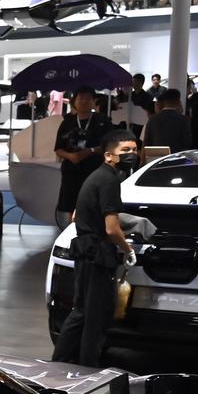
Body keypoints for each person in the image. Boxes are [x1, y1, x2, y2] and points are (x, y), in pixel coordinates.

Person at [51, 129, 141, 367]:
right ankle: (87, 367)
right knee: (95, 316)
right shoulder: (109, 181)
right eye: (126, 150)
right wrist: (128, 249)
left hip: (85, 251)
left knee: (82, 311)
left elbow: (75, 216)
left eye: (134, 149)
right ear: (109, 155)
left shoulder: (96, 176)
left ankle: (59, 363)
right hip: (97, 254)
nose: (132, 154)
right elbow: (111, 229)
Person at [53, 86, 114, 229]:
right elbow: (58, 149)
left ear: (94, 101)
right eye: (81, 98)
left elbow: (110, 145)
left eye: (88, 98)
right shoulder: (67, 122)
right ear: (74, 101)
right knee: (69, 204)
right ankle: (70, 233)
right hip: (71, 171)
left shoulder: (102, 120)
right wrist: (71, 156)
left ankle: (92, 233)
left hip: (95, 170)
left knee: (94, 203)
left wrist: (90, 151)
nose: (84, 101)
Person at [144, 88, 192, 154]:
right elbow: (186, 142)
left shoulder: (153, 119)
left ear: (164, 102)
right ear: (178, 101)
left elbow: (147, 142)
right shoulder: (183, 119)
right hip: (175, 157)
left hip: (156, 157)